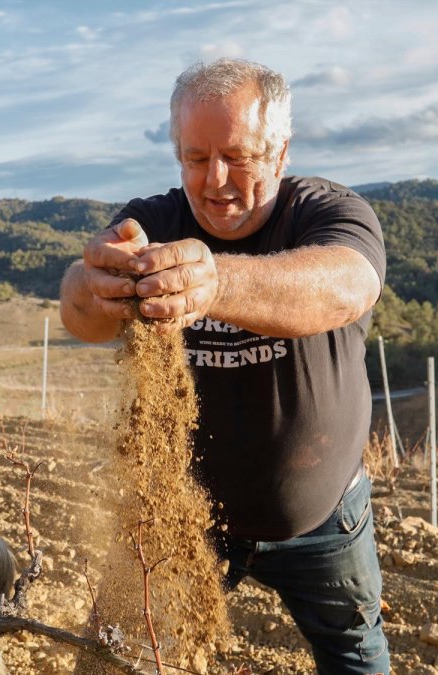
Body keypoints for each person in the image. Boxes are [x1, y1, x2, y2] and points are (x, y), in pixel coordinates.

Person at [59, 58, 390, 675]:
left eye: (238, 157)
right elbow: (80, 313)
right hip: (181, 517)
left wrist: (215, 282)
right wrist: (91, 283)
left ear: (280, 151)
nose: (214, 181)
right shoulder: (154, 223)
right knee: (114, 656)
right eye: (194, 157)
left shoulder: (326, 214)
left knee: (355, 655)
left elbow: (347, 285)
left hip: (324, 520)